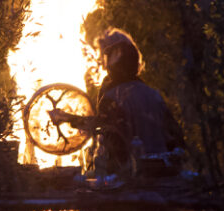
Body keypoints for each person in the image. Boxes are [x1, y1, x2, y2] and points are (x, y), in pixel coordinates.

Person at [50, 28, 185, 177]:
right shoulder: (153, 94)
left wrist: (67, 118)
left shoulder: (114, 97)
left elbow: (102, 127)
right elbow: (176, 138)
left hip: (132, 180)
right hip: (164, 176)